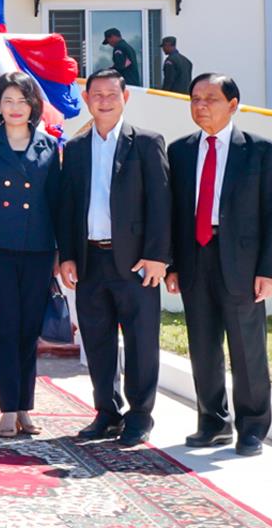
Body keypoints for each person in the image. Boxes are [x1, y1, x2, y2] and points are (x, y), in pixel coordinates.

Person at [167, 73, 272, 457]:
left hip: (243, 263)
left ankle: (252, 427)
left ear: (233, 104)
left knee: (247, 348)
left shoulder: (261, 150)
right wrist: (171, 264)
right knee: (203, 346)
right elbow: (174, 214)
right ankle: (212, 422)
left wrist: (270, 271)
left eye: (211, 99)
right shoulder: (180, 151)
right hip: (195, 257)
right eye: (195, 99)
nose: (201, 106)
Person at [58, 68, 170, 447]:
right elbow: (68, 206)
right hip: (90, 260)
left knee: (140, 341)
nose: (104, 100)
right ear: (87, 99)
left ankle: (139, 416)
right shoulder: (74, 149)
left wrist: (158, 256)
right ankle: (106, 411)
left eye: (111, 94)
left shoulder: (147, 143)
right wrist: (67, 256)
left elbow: (161, 204)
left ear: (125, 97)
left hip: (136, 263)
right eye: (96, 94)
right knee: (97, 340)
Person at [0, 72, 61, 438]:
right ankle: (8, 407)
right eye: (7, 100)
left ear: (33, 106)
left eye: (22, 101)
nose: (14, 108)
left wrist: (60, 250)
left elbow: (56, 202)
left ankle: (26, 406)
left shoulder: (48, 146)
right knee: (4, 329)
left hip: (39, 249)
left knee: (29, 332)